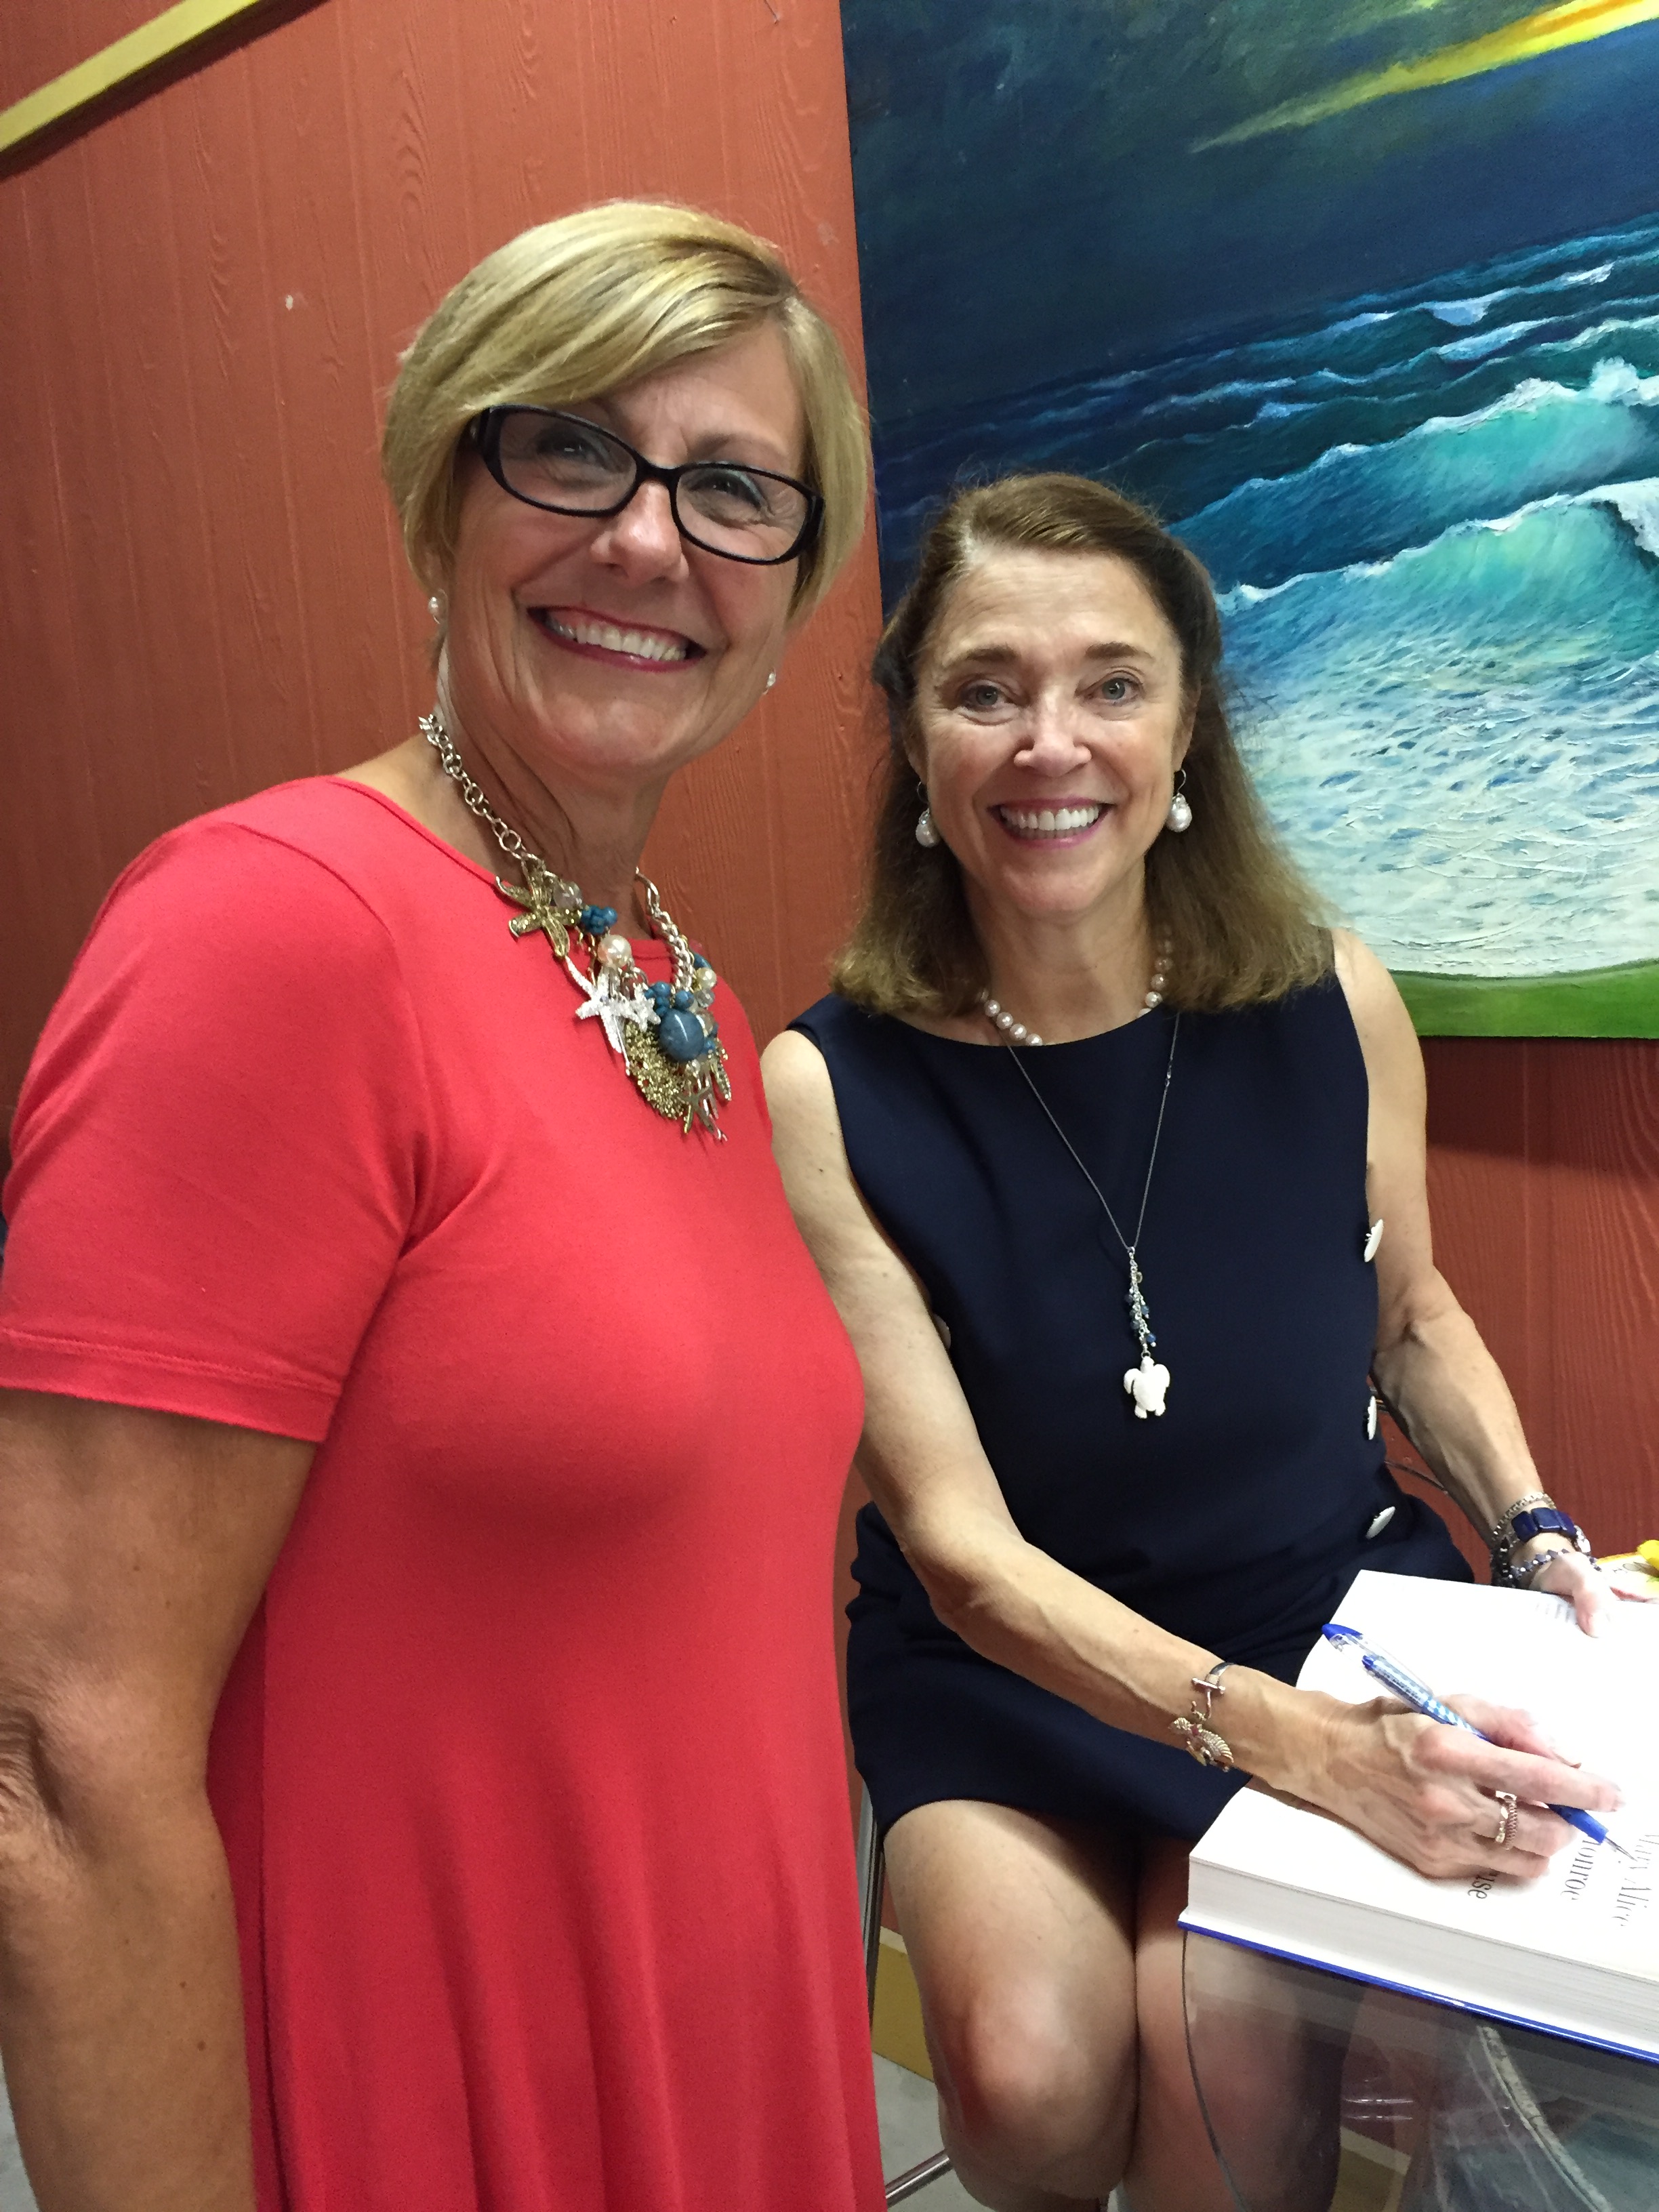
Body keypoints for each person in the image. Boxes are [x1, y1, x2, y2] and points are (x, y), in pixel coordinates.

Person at [0, 202, 883, 2212]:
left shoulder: (670, 979)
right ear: (440, 492)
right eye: (570, 448)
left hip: (722, 2046)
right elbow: (55, 1762)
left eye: (735, 489)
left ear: (794, 579)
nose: (649, 542)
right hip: (445, 2094)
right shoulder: (274, 929)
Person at [762, 474, 1637, 2212]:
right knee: (1028, 2083)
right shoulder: (827, 1089)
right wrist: (1304, 1754)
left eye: (1112, 683)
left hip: (1320, 1614)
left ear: (1186, 732)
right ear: (917, 742)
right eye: (987, 689)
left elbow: (1415, 1320)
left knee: (1223, 2053)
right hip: (1013, 1659)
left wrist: (1534, 1530)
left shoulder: (1336, 994)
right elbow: (961, 1560)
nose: (1051, 742)